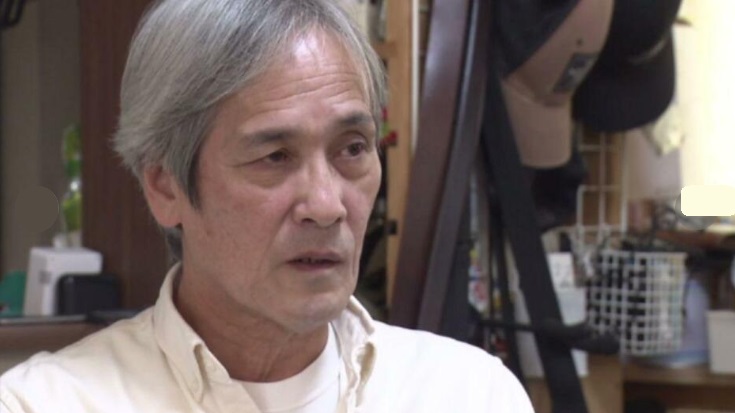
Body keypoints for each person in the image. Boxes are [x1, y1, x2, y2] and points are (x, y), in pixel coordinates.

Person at [0, 1, 533, 412]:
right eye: (275, 157)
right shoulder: (49, 402)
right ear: (166, 188)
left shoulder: (467, 394)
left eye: (352, 149)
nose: (326, 205)